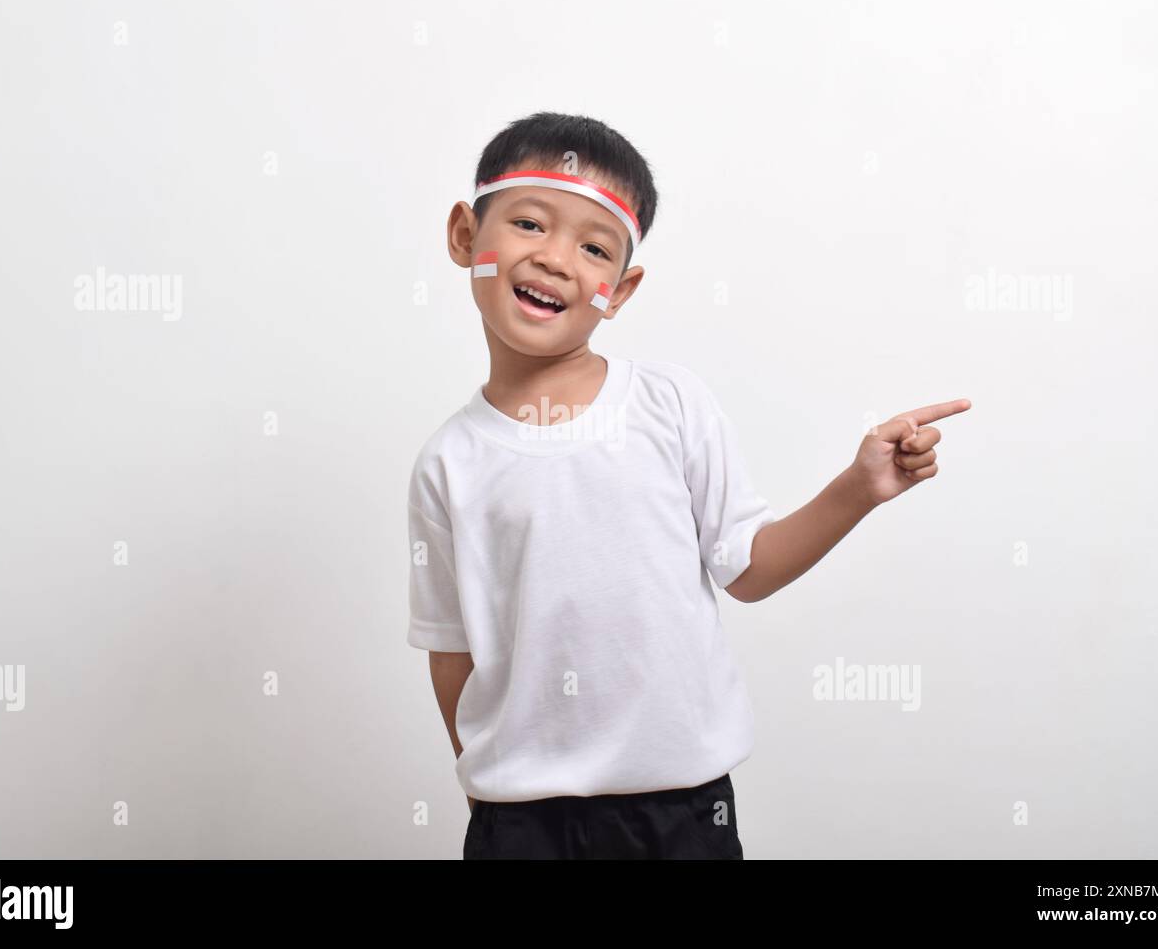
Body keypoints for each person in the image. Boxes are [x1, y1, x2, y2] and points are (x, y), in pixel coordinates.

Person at [407, 111, 971, 859]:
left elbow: (747, 568)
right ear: (463, 237)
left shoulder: (668, 405)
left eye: (594, 246)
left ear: (622, 288)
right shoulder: (449, 461)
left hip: (681, 814)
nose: (555, 259)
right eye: (531, 224)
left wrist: (858, 488)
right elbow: (452, 648)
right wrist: (488, 785)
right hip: (520, 823)